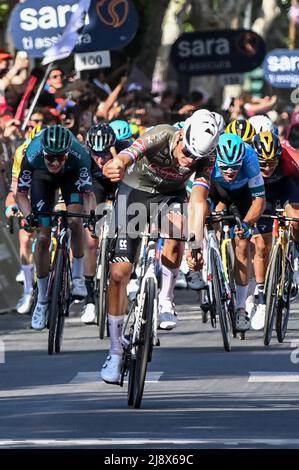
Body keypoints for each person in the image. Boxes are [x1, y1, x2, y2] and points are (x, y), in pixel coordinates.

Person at [99, 109, 220, 384]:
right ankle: (115, 351)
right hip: (133, 193)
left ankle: (165, 297)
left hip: (169, 197)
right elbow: (128, 154)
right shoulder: (162, 134)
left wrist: (196, 244)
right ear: (181, 136)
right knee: (119, 274)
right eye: (187, 152)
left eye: (196, 158)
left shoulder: (206, 157)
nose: (188, 160)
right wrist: (116, 163)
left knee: (181, 229)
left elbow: (198, 200)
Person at [16, 124, 94, 330]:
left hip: (71, 177)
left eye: (60, 157)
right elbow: (21, 194)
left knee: (76, 220)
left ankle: (77, 277)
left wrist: (91, 216)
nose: (55, 162)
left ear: (68, 153)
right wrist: (29, 216)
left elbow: (89, 195)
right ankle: (41, 300)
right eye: (51, 157)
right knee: (42, 239)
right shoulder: (31, 155)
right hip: (41, 179)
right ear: (43, 152)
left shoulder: (80, 155)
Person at [209, 133, 266, 331]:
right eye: (225, 167)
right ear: (217, 161)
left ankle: (241, 307)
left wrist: (248, 224)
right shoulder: (208, 156)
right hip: (215, 190)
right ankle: (208, 257)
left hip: (242, 194)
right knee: (205, 219)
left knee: (242, 244)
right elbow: (194, 197)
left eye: (235, 166)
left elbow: (259, 200)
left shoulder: (250, 158)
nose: (230, 171)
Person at [247, 132, 299, 329]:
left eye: (272, 162)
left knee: (295, 218)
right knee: (261, 245)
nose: (268, 167)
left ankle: (296, 250)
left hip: (286, 187)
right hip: (260, 192)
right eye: (263, 163)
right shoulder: (248, 161)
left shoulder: (290, 159)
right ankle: (261, 292)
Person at [81, 123, 130, 324]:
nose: (100, 159)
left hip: (121, 181)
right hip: (96, 186)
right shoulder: (84, 157)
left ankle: (130, 280)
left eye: (105, 154)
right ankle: (90, 300)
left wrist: (117, 158)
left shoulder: (125, 150)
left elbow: (135, 184)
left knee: (130, 220)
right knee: (91, 242)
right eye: (95, 154)